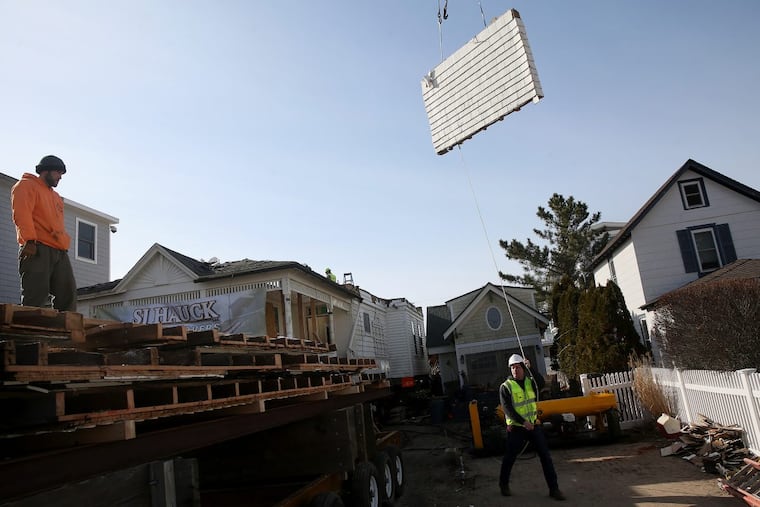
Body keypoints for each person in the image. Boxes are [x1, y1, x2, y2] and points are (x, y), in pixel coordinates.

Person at [10, 155, 77, 311]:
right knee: (35, 294)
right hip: (37, 247)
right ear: (45, 171)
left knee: (68, 293)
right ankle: (28, 333)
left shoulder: (56, 197)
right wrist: (29, 240)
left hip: (59, 251)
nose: (60, 177)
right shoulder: (26, 186)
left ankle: (65, 332)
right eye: (58, 172)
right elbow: (22, 213)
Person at [499, 353, 565, 501]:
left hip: (533, 426)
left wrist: (532, 368)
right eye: (513, 368)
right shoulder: (506, 387)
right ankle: (503, 484)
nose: (515, 370)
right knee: (510, 457)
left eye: (518, 367)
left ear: (523, 368)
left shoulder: (530, 382)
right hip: (517, 427)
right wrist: (523, 422)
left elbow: (541, 383)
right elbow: (507, 409)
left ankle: (554, 489)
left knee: (545, 457)